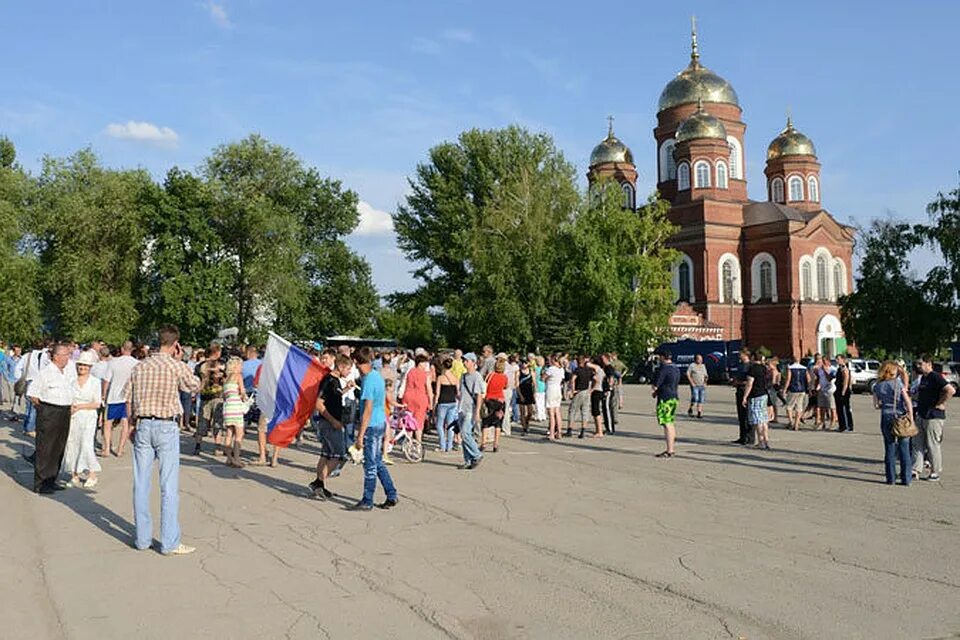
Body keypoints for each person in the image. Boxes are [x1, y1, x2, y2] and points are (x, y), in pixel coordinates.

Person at [124, 325, 200, 555]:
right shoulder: (175, 366)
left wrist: (131, 424)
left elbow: (128, 397)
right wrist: (182, 360)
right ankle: (169, 542)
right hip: (166, 425)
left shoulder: (140, 367)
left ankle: (142, 538)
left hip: (144, 423)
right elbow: (194, 386)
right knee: (168, 485)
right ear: (176, 344)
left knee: (141, 483)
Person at [349, 347, 398, 511]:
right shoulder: (376, 376)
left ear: (356, 361)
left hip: (371, 425)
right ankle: (391, 494)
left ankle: (367, 499)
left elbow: (368, 409)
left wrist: (360, 435)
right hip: (380, 422)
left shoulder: (369, 380)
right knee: (378, 462)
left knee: (370, 465)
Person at [28, 342, 76, 494]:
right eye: (66, 355)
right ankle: (41, 483)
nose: (68, 358)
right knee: (46, 447)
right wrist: (44, 410)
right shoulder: (46, 373)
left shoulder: (67, 372)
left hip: (64, 411)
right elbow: (33, 395)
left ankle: (51, 479)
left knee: (58, 447)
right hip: (49, 411)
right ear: (56, 356)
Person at [309, 354, 351, 499]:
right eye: (348, 369)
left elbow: (335, 396)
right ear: (341, 367)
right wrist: (333, 421)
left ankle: (320, 485)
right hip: (329, 423)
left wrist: (345, 389)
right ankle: (318, 482)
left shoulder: (336, 381)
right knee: (339, 455)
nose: (349, 372)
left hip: (331, 422)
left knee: (326, 454)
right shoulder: (329, 380)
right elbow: (319, 404)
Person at [61, 350, 103, 488]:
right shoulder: (72, 382)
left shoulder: (95, 382)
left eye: (85, 366)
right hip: (74, 417)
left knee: (86, 444)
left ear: (90, 367)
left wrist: (80, 406)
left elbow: (97, 403)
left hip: (88, 416)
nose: (82, 368)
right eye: (80, 365)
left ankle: (92, 474)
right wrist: (71, 408)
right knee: (72, 444)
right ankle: (74, 474)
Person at [912, 355, 955, 481]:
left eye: (920, 364)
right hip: (921, 414)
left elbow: (950, 390)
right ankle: (915, 470)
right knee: (917, 443)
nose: (918, 366)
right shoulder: (923, 378)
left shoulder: (935, 377)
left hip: (933, 417)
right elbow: (921, 395)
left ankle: (935, 472)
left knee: (932, 444)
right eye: (917, 364)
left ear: (928, 363)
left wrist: (940, 403)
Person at [873, 361, 915, 485]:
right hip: (900, 416)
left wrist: (885, 404)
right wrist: (911, 416)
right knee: (904, 448)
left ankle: (890, 478)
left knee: (889, 448)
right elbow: (907, 401)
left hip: (886, 416)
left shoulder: (877, 385)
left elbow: (876, 405)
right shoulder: (897, 384)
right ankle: (906, 478)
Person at [103, 341, 139, 457]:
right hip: (129, 397)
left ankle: (107, 448)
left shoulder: (113, 363)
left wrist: (103, 394)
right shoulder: (136, 364)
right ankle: (120, 448)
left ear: (122, 349)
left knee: (108, 423)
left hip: (114, 396)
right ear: (132, 349)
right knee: (126, 423)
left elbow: (107, 380)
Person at [194, 343, 225, 455]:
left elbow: (197, 380)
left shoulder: (200, 365)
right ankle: (217, 447)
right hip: (218, 396)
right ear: (216, 352)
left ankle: (198, 445)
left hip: (204, 396)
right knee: (217, 422)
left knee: (202, 421)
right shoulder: (221, 365)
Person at [456, 353, 485, 469]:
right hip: (462, 408)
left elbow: (479, 395)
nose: (464, 363)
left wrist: (477, 411)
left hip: (470, 409)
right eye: (464, 361)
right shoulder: (463, 376)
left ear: (473, 362)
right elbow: (461, 392)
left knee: (465, 432)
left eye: (467, 361)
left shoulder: (477, 376)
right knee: (464, 436)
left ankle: (477, 454)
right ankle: (467, 460)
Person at [651, 350, 681, 458]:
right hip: (673, 396)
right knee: (670, 422)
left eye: (659, 357)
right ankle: (671, 447)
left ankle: (670, 450)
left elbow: (656, 384)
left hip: (665, 398)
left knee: (666, 423)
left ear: (663, 357)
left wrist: (655, 391)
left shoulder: (664, 368)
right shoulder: (676, 368)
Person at [221, 357, 248, 468]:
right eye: (241, 365)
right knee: (239, 435)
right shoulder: (238, 376)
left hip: (228, 407)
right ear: (236, 366)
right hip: (236, 406)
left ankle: (229, 458)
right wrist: (245, 398)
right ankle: (236, 459)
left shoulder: (226, 379)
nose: (242, 368)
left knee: (229, 434)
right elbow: (242, 392)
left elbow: (224, 396)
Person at [401, 353, 432, 446]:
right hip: (421, 398)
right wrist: (431, 402)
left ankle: (408, 444)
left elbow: (406, 384)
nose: (426, 365)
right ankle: (418, 444)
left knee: (409, 422)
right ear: (420, 363)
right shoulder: (426, 374)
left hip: (408, 397)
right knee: (419, 422)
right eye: (425, 363)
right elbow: (429, 389)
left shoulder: (410, 372)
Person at [742, 351, 771, 449]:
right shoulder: (764, 368)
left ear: (754, 358)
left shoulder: (752, 368)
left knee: (758, 420)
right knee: (764, 419)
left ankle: (761, 442)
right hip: (764, 394)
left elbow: (750, 383)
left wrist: (745, 396)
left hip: (756, 395)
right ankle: (766, 440)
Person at [481, 359, 508, 452]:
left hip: (489, 400)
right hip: (500, 401)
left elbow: (485, 384)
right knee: (498, 424)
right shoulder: (504, 377)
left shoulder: (490, 375)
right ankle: (495, 444)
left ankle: (483, 443)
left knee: (486, 422)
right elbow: (506, 386)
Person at [433, 357, 459, 451]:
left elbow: (437, 393)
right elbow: (458, 393)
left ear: (443, 366)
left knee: (440, 424)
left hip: (443, 402)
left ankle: (442, 445)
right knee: (450, 424)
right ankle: (449, 445)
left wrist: (435, 404)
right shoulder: (455, 378)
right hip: (452, 402)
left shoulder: (440, 378)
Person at [567, 355, 593, 438]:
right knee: (585, 412)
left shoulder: (577, 370)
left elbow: (573, 380)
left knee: (573, 411)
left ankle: (570, 430)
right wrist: (591, 389)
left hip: (578, 392)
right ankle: (583, 431)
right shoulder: (589, 370)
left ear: (577, 362)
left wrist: (573, 390)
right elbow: (594, 379)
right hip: (586, 392)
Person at [731, 351, 753, 445]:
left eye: (741, 355)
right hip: (739, 391)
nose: (739, 356)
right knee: (741, 416)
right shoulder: (740, 365)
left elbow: (749, 381)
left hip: (746, 392)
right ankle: (742, 436)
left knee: (747, 416)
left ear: (745, 355)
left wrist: (739, 383)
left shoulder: (749, 366)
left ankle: (749, 437)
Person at [542, 355, 566, 439]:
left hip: (551, 390)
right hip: (558, 390)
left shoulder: (551, 369)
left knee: (551, 414)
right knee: (558, 412)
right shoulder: (561, 369)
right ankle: (559, 432)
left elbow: (543, 378)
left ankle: (551, 433)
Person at [783, 357, 809, 431]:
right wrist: (808, 388)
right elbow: (808, 378)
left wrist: (784, 389)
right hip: (802, 389)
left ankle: (791, 422)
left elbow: (788, 379)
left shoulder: (790, 368)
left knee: (789, 406)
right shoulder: (804, 368)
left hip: (793, 389)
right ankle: (796, 424)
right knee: (799, 407)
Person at [814, 357, 836, 430]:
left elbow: (829, 378)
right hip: (822, 389)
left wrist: (825, 370)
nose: (823, 363)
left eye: (824, 361)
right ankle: (822, 422)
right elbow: (819, 379)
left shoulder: (832, 369)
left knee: (831, 407)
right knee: (821, 407)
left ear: (828, 362)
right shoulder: (820, 370)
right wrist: (817, 387)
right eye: (822, 361)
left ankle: (832, 422)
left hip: (830, 390)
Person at [834, 354, 854, 432]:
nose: (837, 361)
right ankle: (841, 426)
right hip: (838, 390)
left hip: (843, 392)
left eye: (838, 359)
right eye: (836, 359)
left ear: (843, 360)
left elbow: (846, 382)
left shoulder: (845, 369)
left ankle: (848, 426)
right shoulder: (839, 369)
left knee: (845, 409)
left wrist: (843, 393)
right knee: (839, 409)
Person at [516, 361, 536, 435]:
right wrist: (520, 395)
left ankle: (527, 421)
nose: (524, 364)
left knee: (530, 412)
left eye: (526, 363)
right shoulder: (518, 372)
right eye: (523, 363)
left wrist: (534, 393)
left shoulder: (532, 372)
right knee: (522, 412)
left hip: (529, 392)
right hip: (521, 392)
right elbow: (517, 384)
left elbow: (534, 384)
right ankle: (524, 428)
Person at [686, 354, 708, 419]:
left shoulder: (703, 366)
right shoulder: (692, 365)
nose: (701, 360)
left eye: (701, 359)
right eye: (699, 359)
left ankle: (699, 413)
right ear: (696, 359)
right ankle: (690, 409)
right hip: (695, 385)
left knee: (701, 399)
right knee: (695, 398)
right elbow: (688, 374)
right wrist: (691, 382)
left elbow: (706, 375)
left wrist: (705, 382)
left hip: (702, 385)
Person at [532, 355, 547, 422]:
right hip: (544, 386)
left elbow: (534, 380)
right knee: (542, 402)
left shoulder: (535, 369)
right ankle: (543, 415)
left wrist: (534, 389)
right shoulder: (545, 369)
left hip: (537, 387)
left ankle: (539, 415)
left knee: (538, 402)